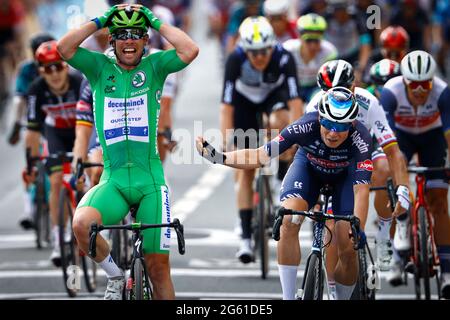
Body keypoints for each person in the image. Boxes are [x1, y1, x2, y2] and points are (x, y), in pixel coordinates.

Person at [57, 3, 198, 300]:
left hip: (150, 183)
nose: (129, 40)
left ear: (145, 40)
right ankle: (116, 275)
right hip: (115, 181)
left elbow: (190, 50)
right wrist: (102, 20)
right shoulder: (98, 68)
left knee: (158, 269)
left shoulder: (156, 66)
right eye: (122, 34)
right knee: (82, 223)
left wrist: (155, 22)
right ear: (112, 39)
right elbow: (64, 47)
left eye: (137, 34)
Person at [197, 87, 372, 300]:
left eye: (340, 126)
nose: (333, 132)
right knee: (289, 219)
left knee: (348, 242)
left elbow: (361, 189)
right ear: (320, 118)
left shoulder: (360, 138)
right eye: (327, 123)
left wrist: (359, 226)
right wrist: (218, 157)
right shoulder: (305, 125)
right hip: (310, 171)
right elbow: (260, 156)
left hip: (344, 179)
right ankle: (288, 297)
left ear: (352, 124)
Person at [306, 60, 410, 279]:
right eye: (327, 91)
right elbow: (304, 150)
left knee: (382, 168)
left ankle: (383, 234)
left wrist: (403, 189)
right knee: (331, 225)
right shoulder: (315, 103)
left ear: (354, 87)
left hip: (365, 152)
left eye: (342, 90)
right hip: (332, 159)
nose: (334, 97)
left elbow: (393, 150)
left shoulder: (368, 102)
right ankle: (333, 287)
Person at [221, 16, 302, 263]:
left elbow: (295, 101)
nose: (259, 57)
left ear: (272, 46)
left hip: (272, 97)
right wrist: (228, 140)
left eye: (264, 51)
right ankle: (245, 237)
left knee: (283, 124)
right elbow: (226, 106)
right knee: (245, 170)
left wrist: (298, 137)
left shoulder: (284, 58)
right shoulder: (235, 59)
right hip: (245, 103)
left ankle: (280, 181)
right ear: (245, 50)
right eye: (253, 52)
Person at [380, 50, 450, 298]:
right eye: (414, 84)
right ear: (405, 81)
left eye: (425, 84)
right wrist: (393, 169)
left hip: (433, 138)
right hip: (402, 138)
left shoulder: (442, 92)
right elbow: (385, 139)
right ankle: (401, 232)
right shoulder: (390, 91)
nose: (420, 90)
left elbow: (449, 136)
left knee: (439, 202)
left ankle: (447, 272)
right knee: (393, 174)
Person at [23, 40, 82, 266]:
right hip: (55, 134)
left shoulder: (80, 83)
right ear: (41, 71)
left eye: (59, 66)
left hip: (81, 133)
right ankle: (59, 240)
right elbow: (32, 131)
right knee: (56, 181)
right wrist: (30, 163)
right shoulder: (35, 91)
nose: (55, 73)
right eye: (48, 69)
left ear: (66, 66)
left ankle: (93, 225)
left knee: (84, 180)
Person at [283, 13, 337, 103]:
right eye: (308, 40)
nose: (313, 46)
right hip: (293, 85)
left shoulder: (329, 52)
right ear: (299, 37)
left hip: (314, 87)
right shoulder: (288, 49)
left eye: (316, 41)